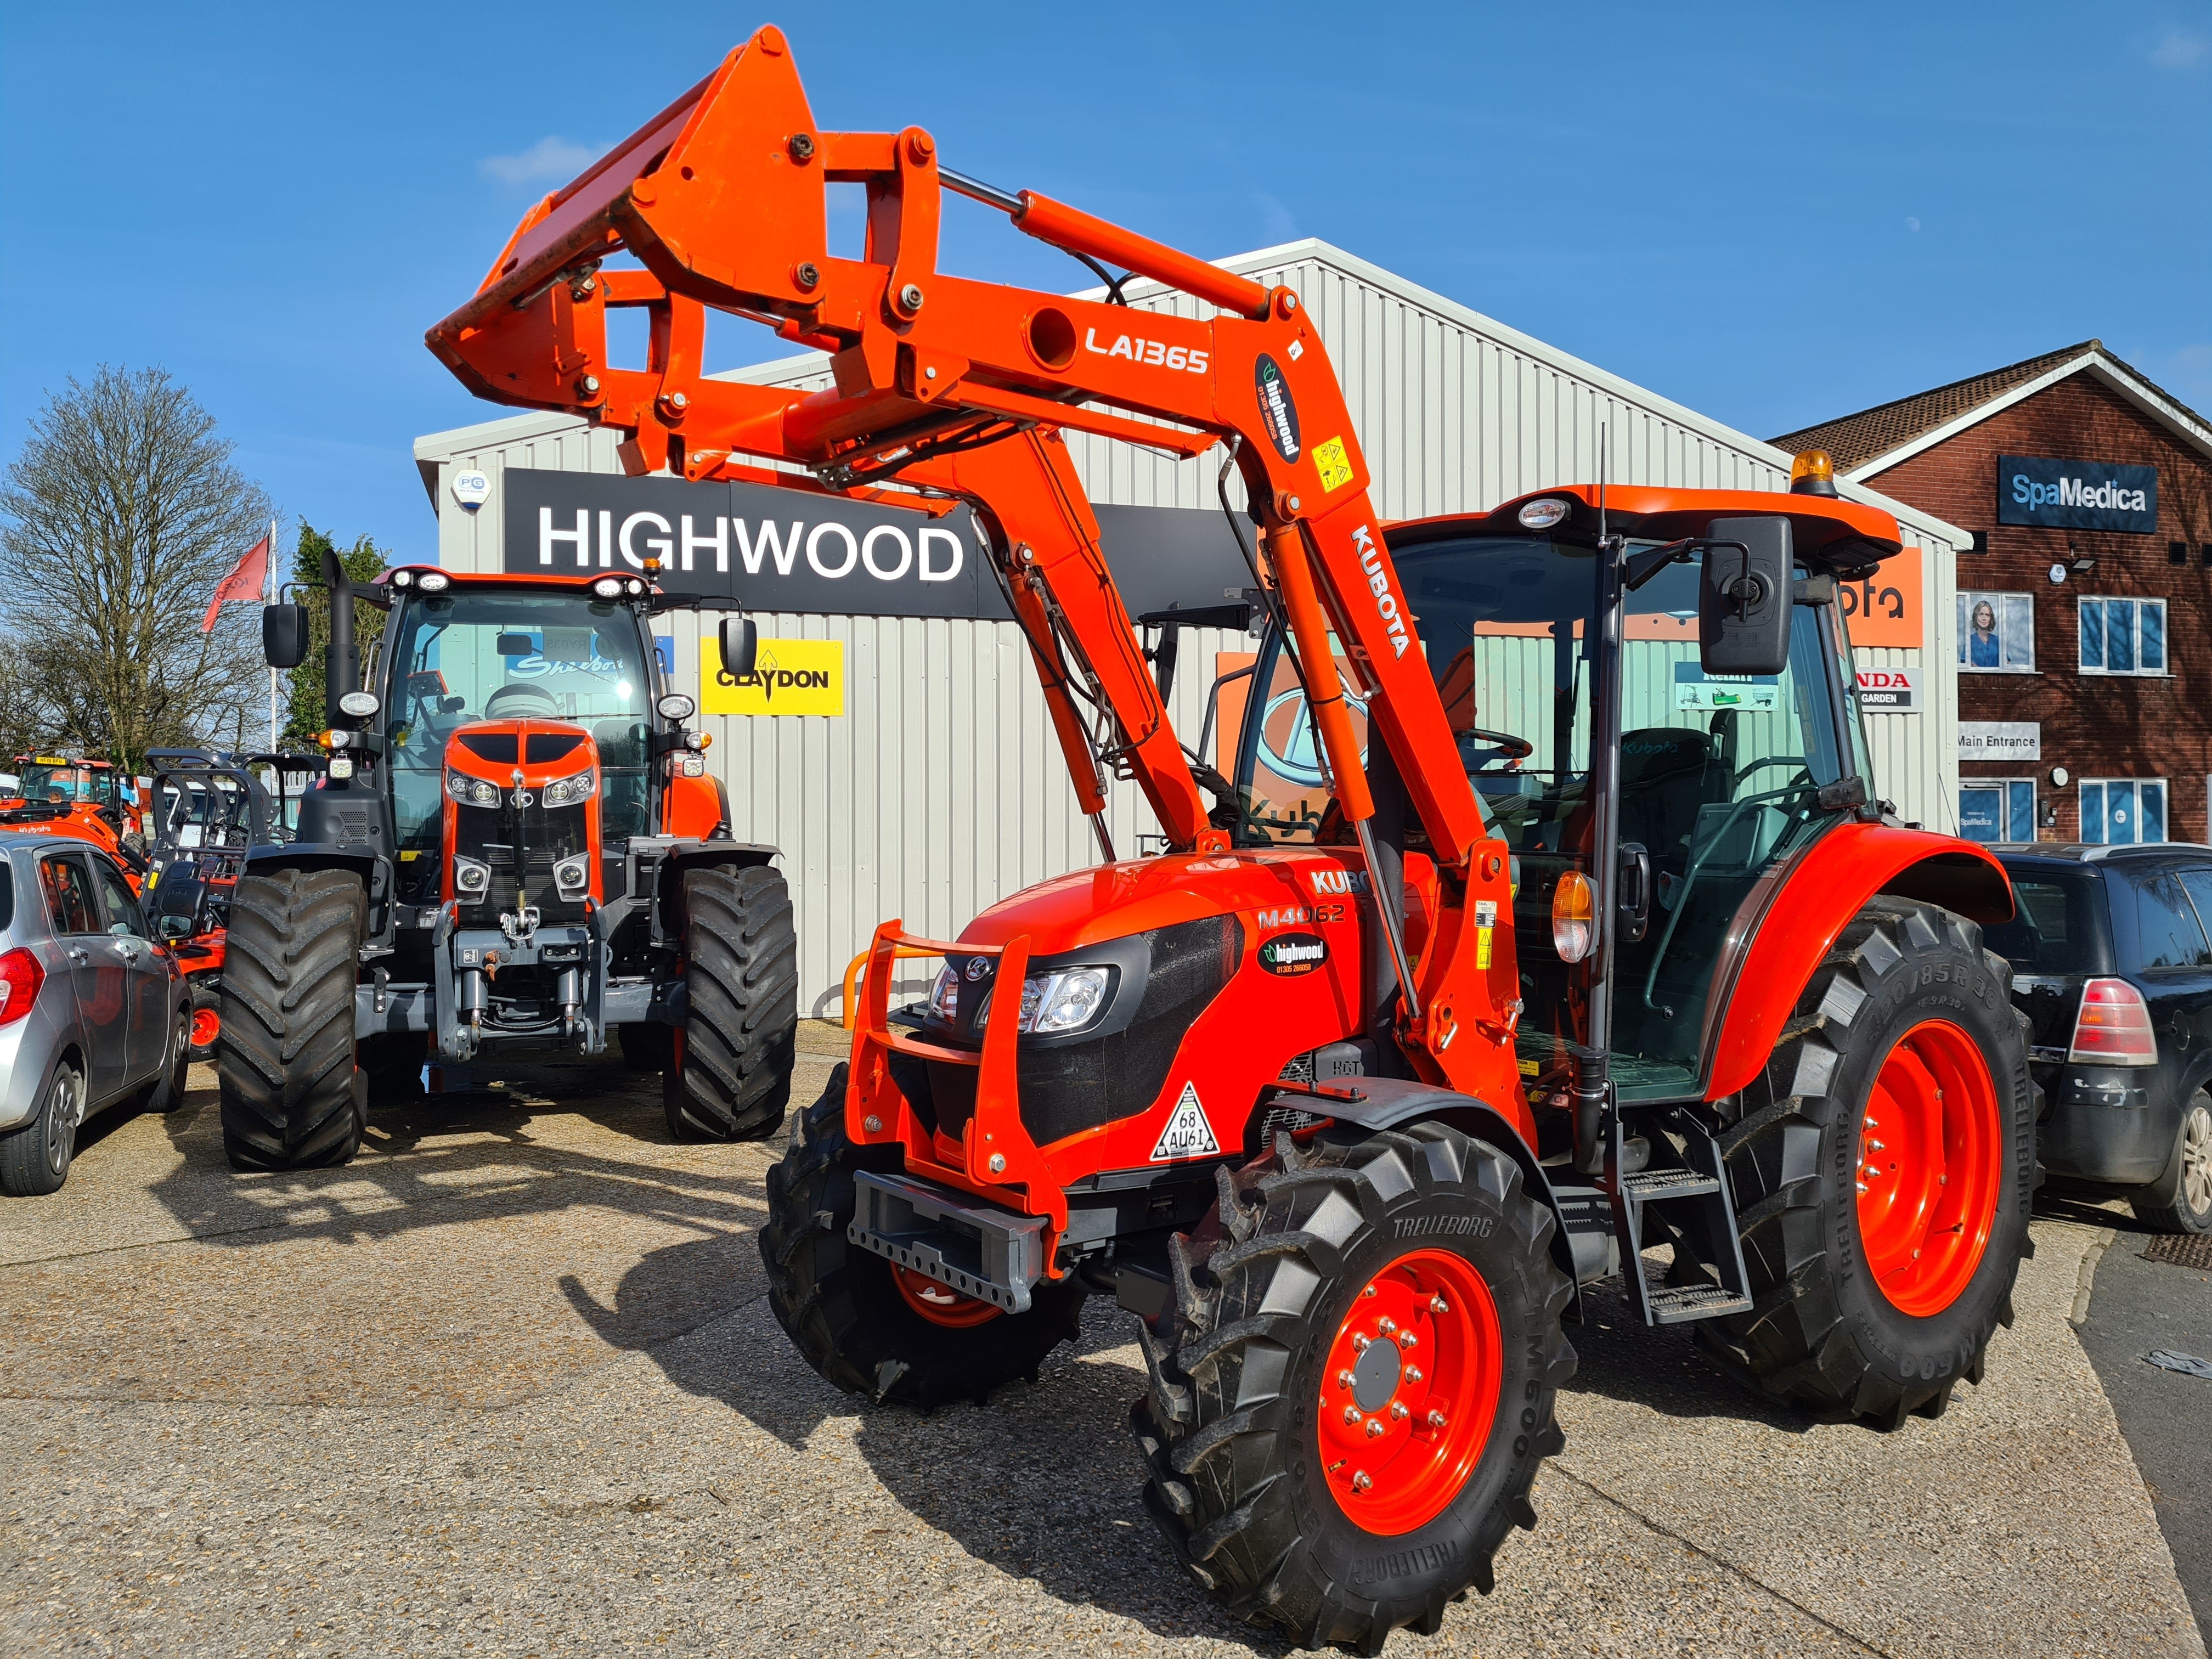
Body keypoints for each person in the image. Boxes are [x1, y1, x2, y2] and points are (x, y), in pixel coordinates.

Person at [1967, 599, 2002, 669]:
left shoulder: (1997, 641)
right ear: (1976, 617)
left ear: (1990, 619)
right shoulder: (1970, 641)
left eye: (1987, 615)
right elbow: (1966, 664)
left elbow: (2006, 663)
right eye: (1981, 614)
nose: (1984, 618)